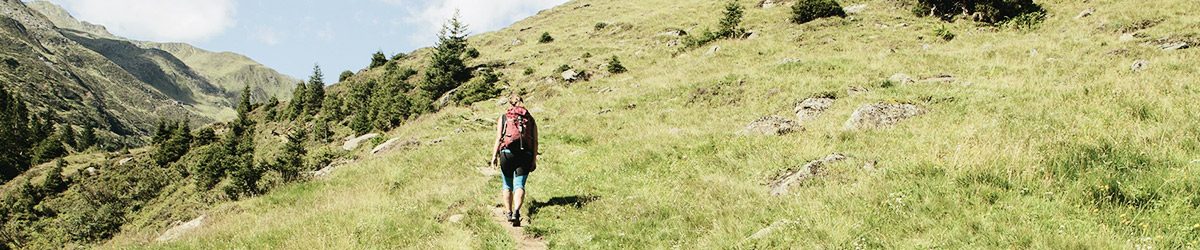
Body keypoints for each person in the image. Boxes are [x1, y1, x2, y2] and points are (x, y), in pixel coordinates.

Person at [490, 94, 538, 226]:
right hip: (525, 155)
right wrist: (534, 159)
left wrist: (494, 156)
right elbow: (535, 141)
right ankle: (517, 211)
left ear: (510, 104)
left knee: (507, 185)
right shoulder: (530, 119)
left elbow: (499, 137)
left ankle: (509, 212)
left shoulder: (504, 117)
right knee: (519, 185)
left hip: (507, 154)